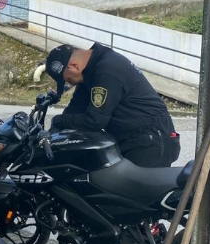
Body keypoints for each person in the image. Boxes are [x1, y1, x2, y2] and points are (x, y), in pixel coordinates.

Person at [43, 43, 180, 167]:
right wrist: (53, 133)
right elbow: (75, 108)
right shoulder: (89, 71)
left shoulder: (106, 69)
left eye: (68, 78)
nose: (71, 83)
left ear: (74, 65)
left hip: (151, 140)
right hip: (131, 139)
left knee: (124, 192)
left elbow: (95, 120)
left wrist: (59, 120)